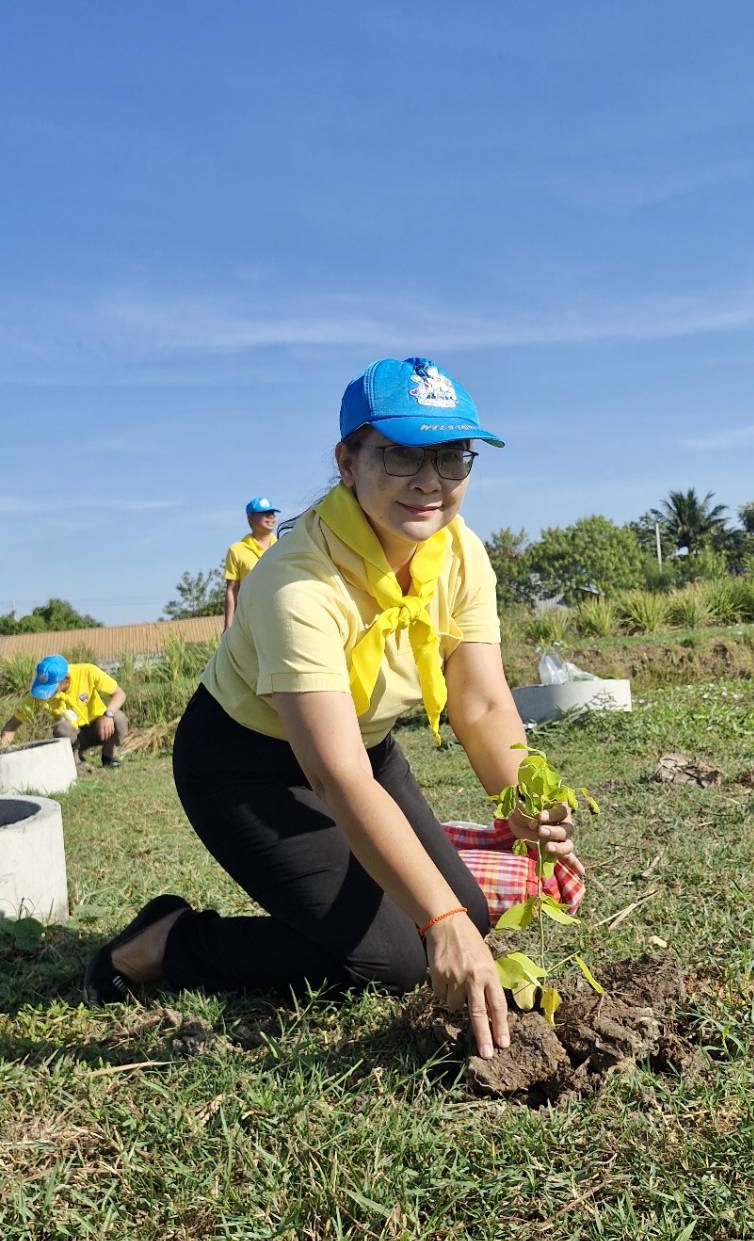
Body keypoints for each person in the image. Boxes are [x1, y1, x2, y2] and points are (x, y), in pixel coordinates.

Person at [84, 356, 576, 1059]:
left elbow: (484, 700)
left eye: (452, 456)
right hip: (243, 766)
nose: (429, 479)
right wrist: (433, 918)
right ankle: (170, 943)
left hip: (362, 748)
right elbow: (336, 774)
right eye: (401, 453)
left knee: (469, 913)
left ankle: (393, 919)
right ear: (348, 461)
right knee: (403, 955)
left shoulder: (461, 555)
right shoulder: (297, 581)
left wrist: (520, 799)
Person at [1, 655, 128, 769]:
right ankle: (77, 764)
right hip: (73, 736)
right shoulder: (38, 695)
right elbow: (12, 725)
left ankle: (108, 758)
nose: (46, 694)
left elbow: (120, 694)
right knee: (61, 727)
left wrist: (108, 714)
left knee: (119, 719)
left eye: (51, 688)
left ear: (66, 679)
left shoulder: (88, 672)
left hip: (99, 729)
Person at [223, 497, 280, 630]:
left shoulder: (282, 545)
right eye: (265, 514)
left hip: (278, 614)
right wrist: (228, 626)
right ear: (250, 518)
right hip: (251, 621)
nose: (271, 517)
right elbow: (232, 590)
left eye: (273, 513)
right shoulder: (237, 550)